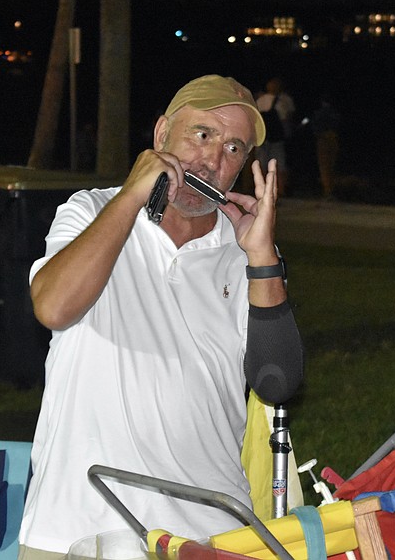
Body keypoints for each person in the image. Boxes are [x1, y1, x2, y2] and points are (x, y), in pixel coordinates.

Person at [18, 74, 304, 559]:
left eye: (234, 148)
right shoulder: (91, 211)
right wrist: (131, 196)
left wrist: (261, 259)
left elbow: (278, 383)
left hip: (209, 532)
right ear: (160, 135)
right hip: (75, 529)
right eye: (202, 134)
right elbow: (53, 306)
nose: (213, 160)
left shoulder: (246, 254)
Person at [255, 77, 295, 196]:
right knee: (279, 164)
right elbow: (285, 120)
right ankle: (280, 190)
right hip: (277, 138)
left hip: (262, 138)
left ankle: (261, 190)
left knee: (261, 164)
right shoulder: (282, 101)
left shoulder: (260, 100)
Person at [310, 93, 341, 200]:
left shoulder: (319, 113)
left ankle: (328, 190)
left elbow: (315, 128)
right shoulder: (335, 113)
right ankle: (331, 189)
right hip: (333, 138)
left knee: (324, 166)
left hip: (323, 140)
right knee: (332, 165)